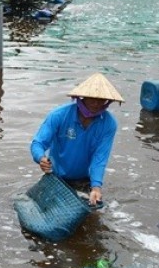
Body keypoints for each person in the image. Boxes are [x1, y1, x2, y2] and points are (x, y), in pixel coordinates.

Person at [30, 73, 123, 206]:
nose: (96, 103)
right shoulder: (59, 115)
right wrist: (41, 158)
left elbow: (100, 158)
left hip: (84, 179)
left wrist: (96, 186)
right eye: (92, 98)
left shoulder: (109, 123)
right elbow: (38, 143)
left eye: (101, 99)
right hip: (56, 177)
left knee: (93, 215)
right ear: (83, 97)